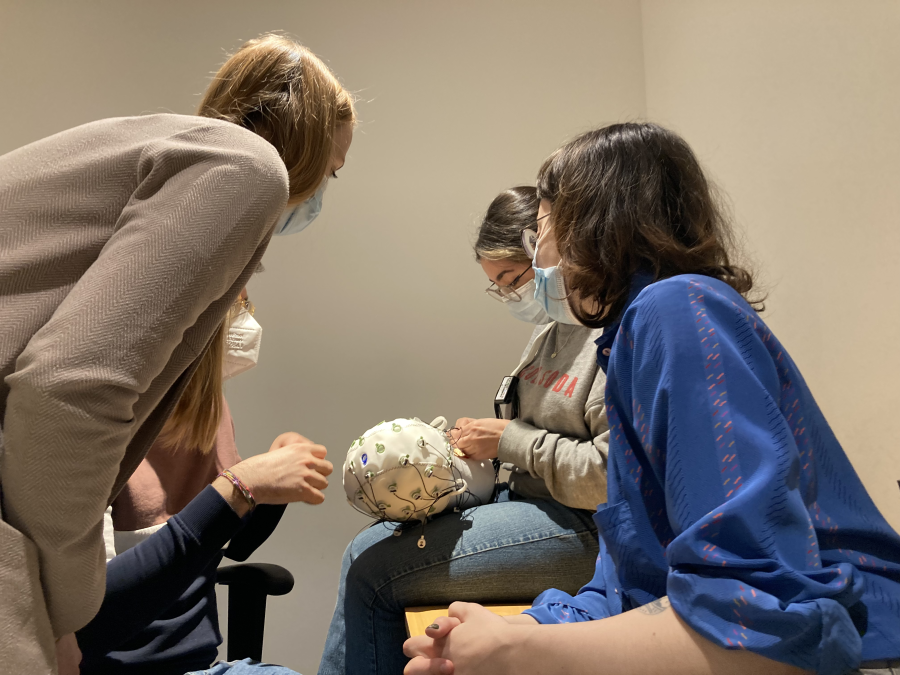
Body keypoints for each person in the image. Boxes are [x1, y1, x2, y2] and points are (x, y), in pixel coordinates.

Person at [403, 123, 900, 675]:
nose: (538, 258)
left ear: (591, 225)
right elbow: (628, 587)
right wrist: (518, 628)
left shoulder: (677, 310)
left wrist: (518, 650)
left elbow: (763, 631)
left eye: (538, 231)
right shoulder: (630, 340)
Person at [0, 33, 355, 674]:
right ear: (298, 150)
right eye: (330, 172)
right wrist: (60, 617)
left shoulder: (145, 157)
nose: (321, 194)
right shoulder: (246, 169)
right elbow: (65, 391)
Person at [317, 186, 609, 675]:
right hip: (530, 498)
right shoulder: (555, 330)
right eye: (498, 285)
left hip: (584, 526)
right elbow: (528, 430)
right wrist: (470, 448)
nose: (512, 295)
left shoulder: (611, 337)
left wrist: (507, 439)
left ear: (546, 249)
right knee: (368, 544)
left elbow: (606, 477)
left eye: (513, 278)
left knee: (373, 573)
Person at [72, 292, 331, 675]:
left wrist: (270, 486)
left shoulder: (204, 405)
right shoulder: (91, 425)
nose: (245, 307)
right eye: (238, 295)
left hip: (200, 665)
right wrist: (242, 484)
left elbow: (233, 544)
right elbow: (93, 621)